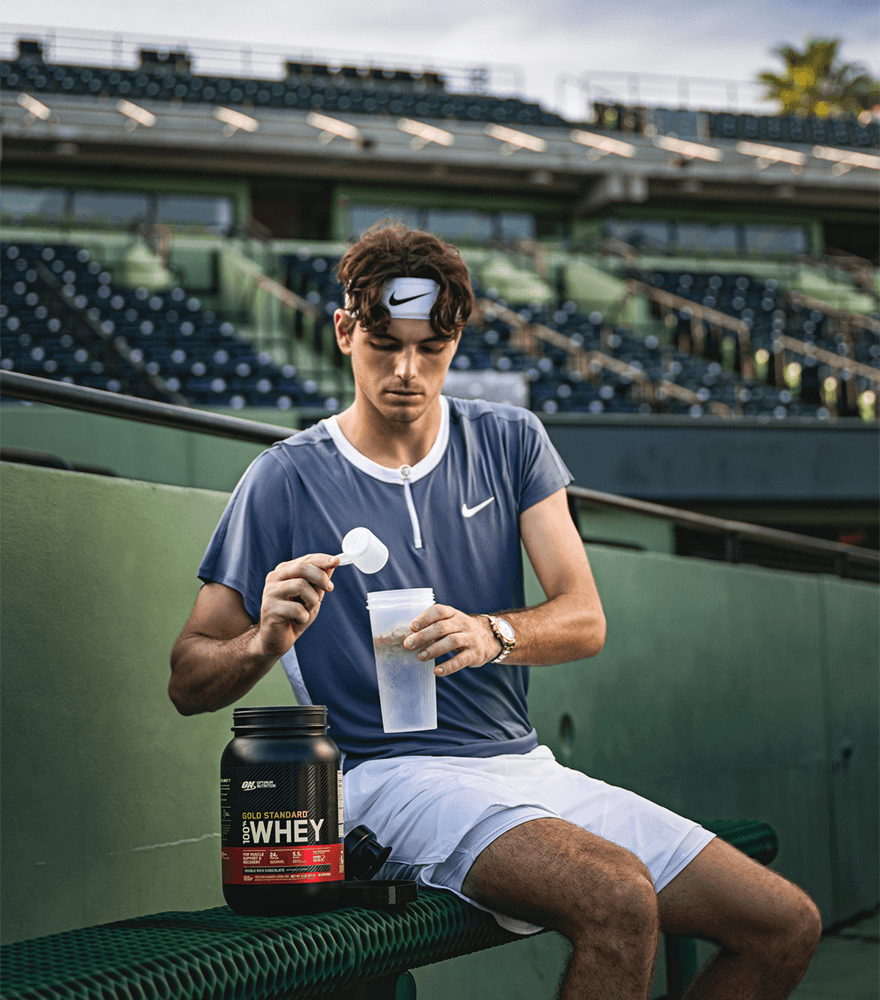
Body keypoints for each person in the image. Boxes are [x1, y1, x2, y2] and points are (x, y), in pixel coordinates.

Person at [170, 223, 821, 999]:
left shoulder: (511, 439)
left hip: (522, 766)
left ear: (458, 338)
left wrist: (493, 633)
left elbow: (585, 618)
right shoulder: (282, 477)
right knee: (618, 899)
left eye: (431, 347)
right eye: (385, 344)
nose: (408, 371)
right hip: (385, 780)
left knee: (783, 926)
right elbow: (188, 678)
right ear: (344, 331)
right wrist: (263, 641)